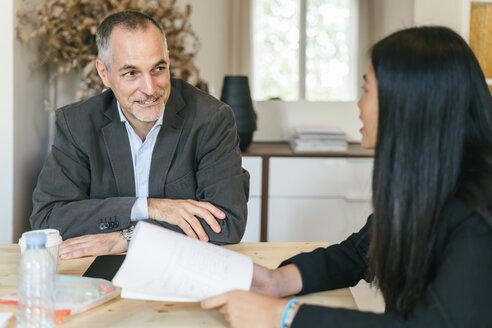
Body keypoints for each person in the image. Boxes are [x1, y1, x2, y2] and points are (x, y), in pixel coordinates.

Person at [201, 26, 492, 327]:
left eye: (367, 90)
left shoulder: (478, 210)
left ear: (408, 104)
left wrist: (283, 316)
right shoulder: (433, 182)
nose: (360, 104)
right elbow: (357, 252)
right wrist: (277, 281)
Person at [29, 10, 249, 260]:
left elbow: (227, 221)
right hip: (98, 272)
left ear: (169, 61)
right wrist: (148, 207)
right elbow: (48, 220)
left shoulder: (211, 119)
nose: (150, 88)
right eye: (131, 73)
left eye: (158, 68)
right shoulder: (77, 124)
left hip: (182, 265)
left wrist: (126, 238)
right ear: (104, 73)